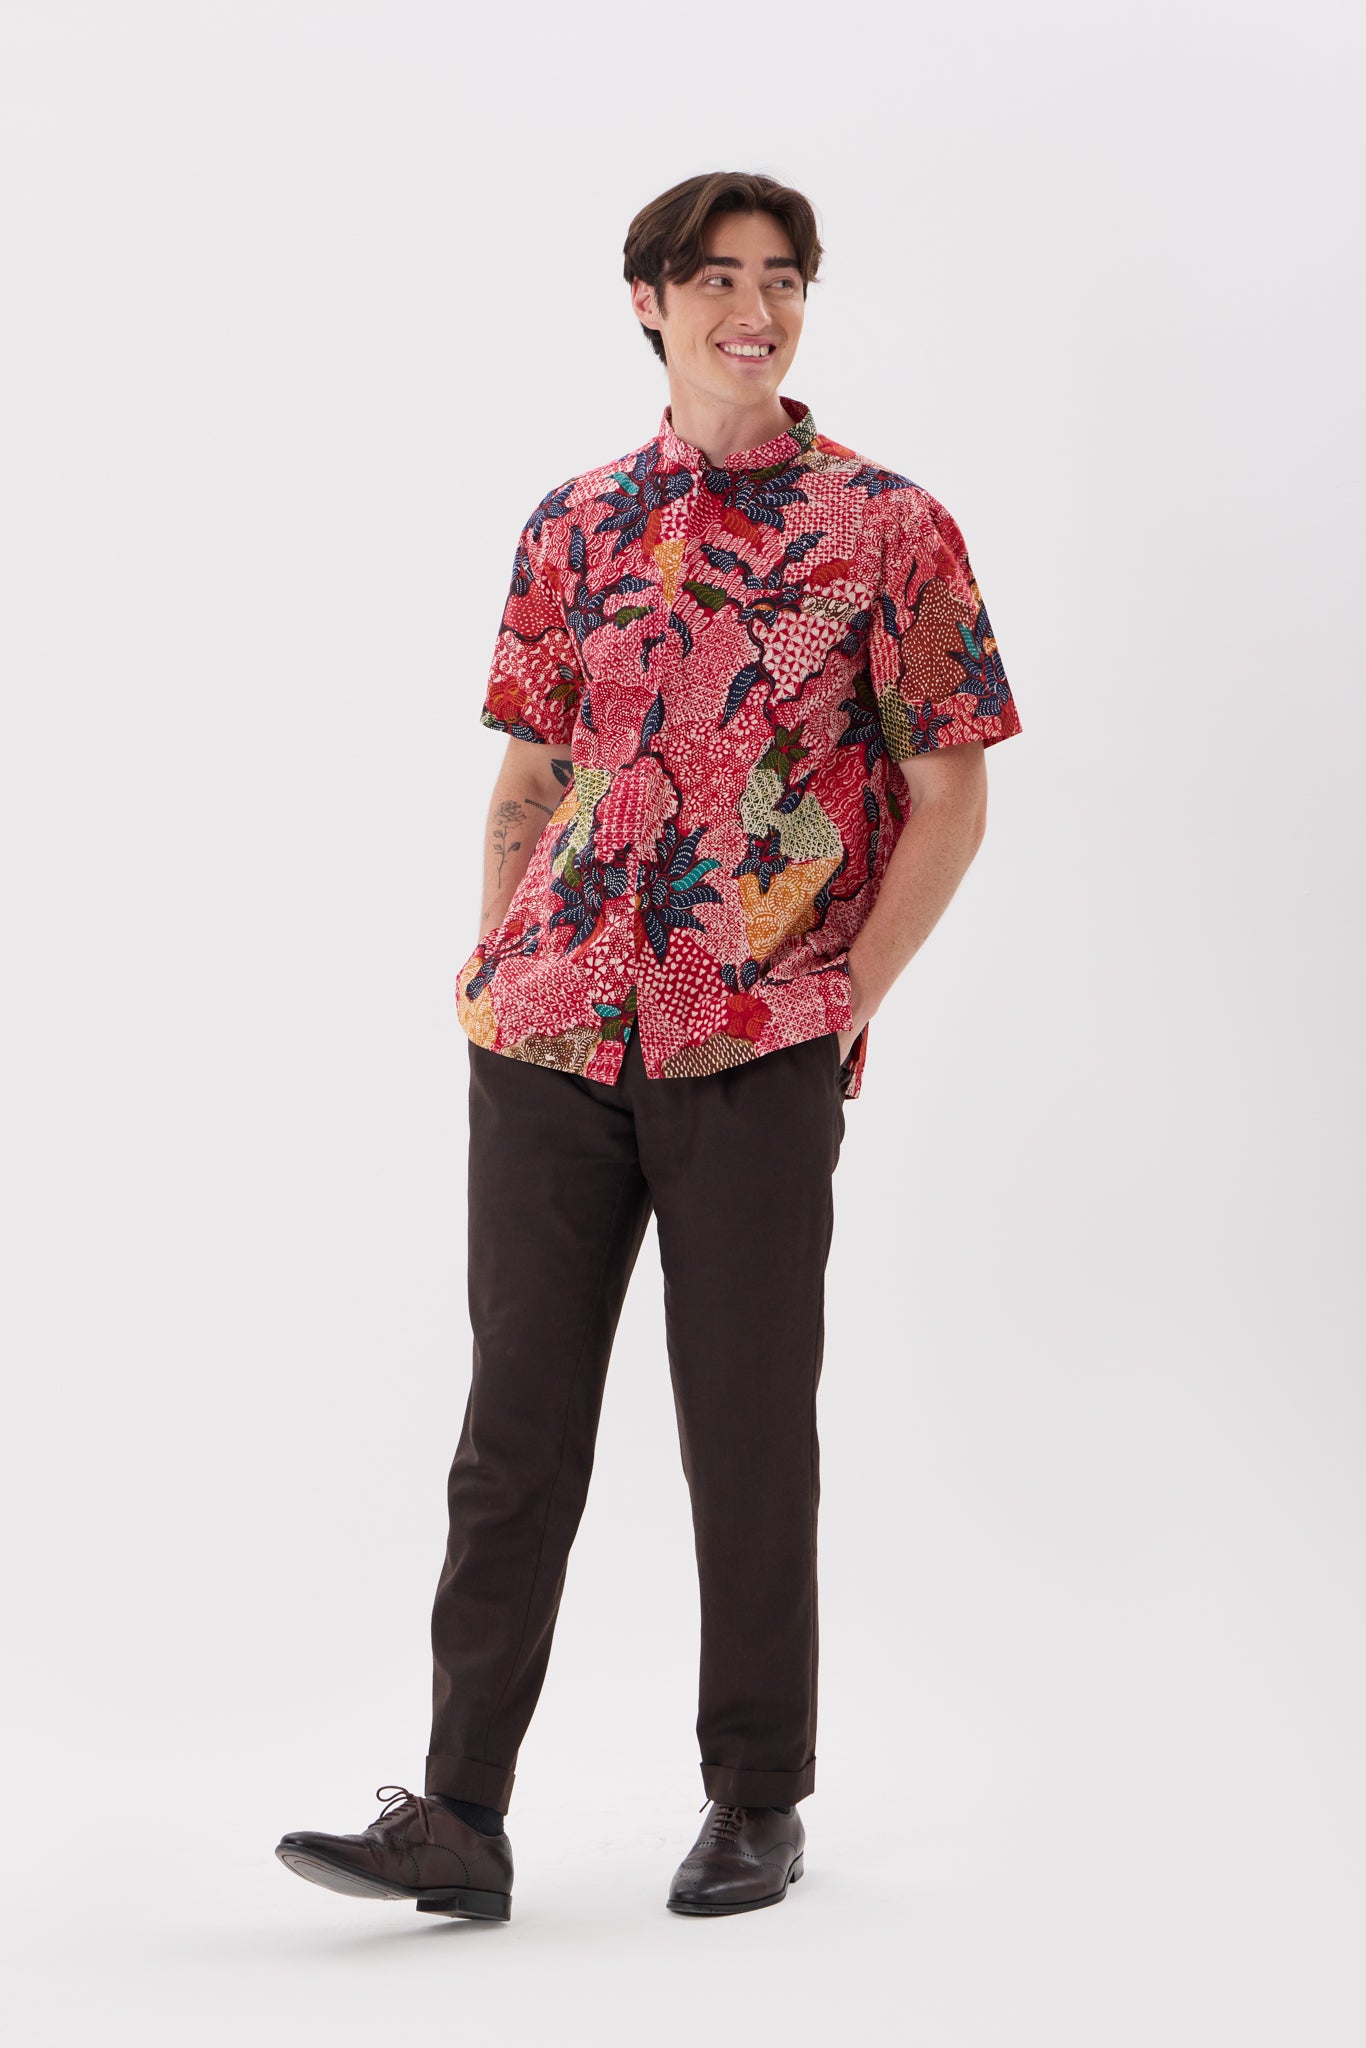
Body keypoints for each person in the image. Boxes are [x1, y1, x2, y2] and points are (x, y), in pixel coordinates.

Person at [275, 169, 1022, 1923]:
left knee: (745, 1429)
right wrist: (496, 957)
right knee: (512, 1435)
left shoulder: (889, 528)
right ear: (648, 300)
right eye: (716, 279)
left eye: (782, 279)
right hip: (545, 1036)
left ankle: (756, 1796)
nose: (752, 310)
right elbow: (529, 777)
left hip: (753, 1041)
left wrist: (842, 1000)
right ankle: (459, 1817)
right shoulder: (574, 523)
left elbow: (950, 794)